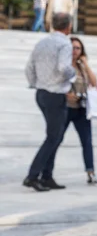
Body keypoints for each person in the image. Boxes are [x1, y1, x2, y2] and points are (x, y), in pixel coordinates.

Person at [24, 13, 76, 192]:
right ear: (68, 26)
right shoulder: (64, 43)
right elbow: (63, 67)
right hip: (55, 94)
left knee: (55, 135)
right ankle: (33, 175)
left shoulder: (42, 42)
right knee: (54, 137)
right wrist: (73, 76)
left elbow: (29, 67)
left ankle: (47, 175)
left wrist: (35, 83)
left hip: (41, 93)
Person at [64, 37, 97, 185]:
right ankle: (46, 172)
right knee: (55, 140)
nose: (75, 51)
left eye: (78, 48)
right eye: (72, 48)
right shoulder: (65, 66)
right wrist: (66, 95)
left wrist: (86, 64)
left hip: (81, 109)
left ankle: (90, 173)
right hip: (66, 108)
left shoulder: (82, 67)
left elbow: (94, 83)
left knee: (87, 142)